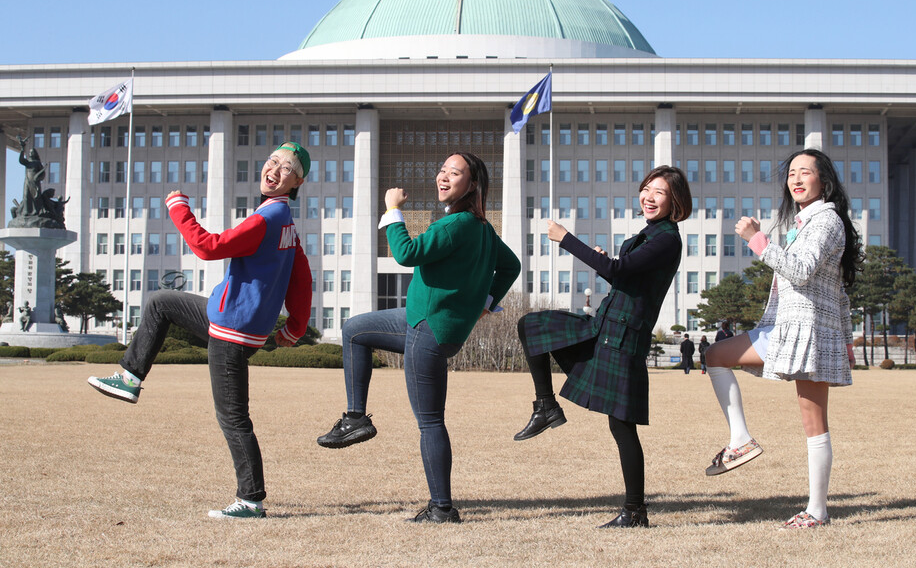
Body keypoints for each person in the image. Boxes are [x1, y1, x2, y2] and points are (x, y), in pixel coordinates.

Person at [88, 142, 312, 520]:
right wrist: (294, 327)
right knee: (161, 302)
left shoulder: (267, 219)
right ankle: (130, 376)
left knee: (233, 418)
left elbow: (208, 248)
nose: (274, 169)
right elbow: (301, 276)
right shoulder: (283, 221)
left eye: (286, 168)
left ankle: (251, 499)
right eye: (272, 161)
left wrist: (179, 210)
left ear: (296, 182)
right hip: (226, 317)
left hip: (232, 331)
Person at [316, 152, 520, 524]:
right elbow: (511, 265)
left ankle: (442, 508)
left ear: (471, 185)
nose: (443, 176)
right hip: (422, 322)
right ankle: (355, 418)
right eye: (441, 169)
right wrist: (488, 300)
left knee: (430, 422)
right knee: (354, 330)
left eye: (454, 173)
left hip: (428, 331)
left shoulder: (456, 225)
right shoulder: (482, 229)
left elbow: (406, 254)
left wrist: (393, 210)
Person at [513, 166, 692, 528]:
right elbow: (619, 272)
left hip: (623, 339)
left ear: (675, 201)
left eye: (659, 192)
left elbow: (620, 269)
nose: (649, 196)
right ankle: (546, 406)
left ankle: (635, 511)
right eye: (646, 189)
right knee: (530, 325)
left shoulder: (667, 238)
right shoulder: (650, 234)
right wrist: (606, 262)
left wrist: (566, 239)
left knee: (622, 427)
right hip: (602, 327)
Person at [702, 148, 861, 529]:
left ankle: (817, 511)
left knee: (814, 422)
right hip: (786, 329)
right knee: (715, 355)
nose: (796, 179)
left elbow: (802, 271)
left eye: (805, 172)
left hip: (807, 332)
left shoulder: (825, 221)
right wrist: (848, 340)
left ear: (824, 180)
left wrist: (757, 240)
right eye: (792, 173)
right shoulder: (805, 222)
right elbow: (838, 291)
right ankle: (740, 439)